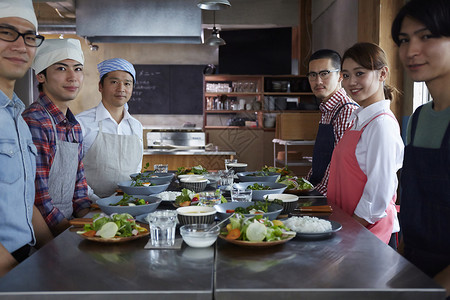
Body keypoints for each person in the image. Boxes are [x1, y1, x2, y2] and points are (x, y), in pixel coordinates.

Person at [391, 0, 450, 295]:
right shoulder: (416, 119)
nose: (411, 51)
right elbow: (412, 201)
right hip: (413, 268)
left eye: (426, 36)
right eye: (404, 40)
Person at [327, 42, 404, 246]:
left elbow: (377, 195)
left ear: (382, 74)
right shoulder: (360, 120)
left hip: (369, 234)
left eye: (360, 73)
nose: (351, 82)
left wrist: (347, 232)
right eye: (346, 75)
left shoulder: (382, 125)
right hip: (350, 228)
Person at [0, 0, 53, 276]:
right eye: (6, 32)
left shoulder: (17, 119)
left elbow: (23, 200)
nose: (20, 46)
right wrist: (14, 278)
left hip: (24, 258)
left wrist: (54, 254)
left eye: (29, 37)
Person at [22, 38, 91, 236]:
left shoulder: (74, 126)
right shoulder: (35, 121)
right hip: (44, 237)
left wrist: (91, 220)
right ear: (41, 76)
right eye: (61, 69)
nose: (73, 77)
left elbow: (79, 190)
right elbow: (38, 198)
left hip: (69, 228)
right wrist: (74, 232)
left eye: (78, 69)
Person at [77, 58, 143, 199]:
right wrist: (96, 202)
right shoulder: (81, 123)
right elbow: (72, 172)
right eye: (114, 82)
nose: (121, 89)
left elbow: (137, 169)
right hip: (89, 208)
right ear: (100, 86)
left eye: (127, 83)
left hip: (128, 205)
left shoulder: (136, 126)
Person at [305, 49, 358, 196]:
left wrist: (313, 194)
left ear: (340, 76)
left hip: (332, 197)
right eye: (313, 75)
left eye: (324, 74)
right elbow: (321, 162)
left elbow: (338, 165)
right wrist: (303, 185)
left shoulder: (347, 110)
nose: (318, 81)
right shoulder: (327, 109)